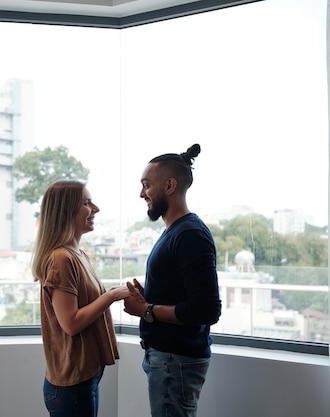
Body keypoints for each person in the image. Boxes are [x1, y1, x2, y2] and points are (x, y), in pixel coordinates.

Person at [123, 144, 222, 417]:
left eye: (146, 185)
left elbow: (206, 310)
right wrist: (150, 298)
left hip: (174, 362)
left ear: (169, 185)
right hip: (168, 360)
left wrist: (146, 310)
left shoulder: (190, 234)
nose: (142, 193)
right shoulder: (176, 231)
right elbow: (181, 290)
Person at [32, 180, 129, 417]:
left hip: (85, 377)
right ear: (66, 212)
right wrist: (112, 295)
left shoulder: (78, 255)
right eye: (87, 203)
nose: (95, 209)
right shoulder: (61, 259)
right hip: (71, 384)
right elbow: (71, 323)